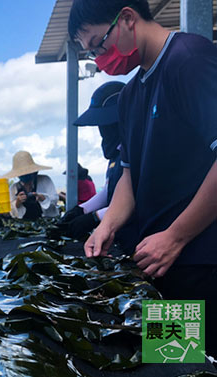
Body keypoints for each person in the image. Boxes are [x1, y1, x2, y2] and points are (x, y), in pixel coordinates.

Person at [69, 0, 217, 356]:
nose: (100, 60)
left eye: (98, 45)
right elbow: (129, 178)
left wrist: (177, 236)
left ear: (127, 19)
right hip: (161, 263)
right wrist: (107, 226)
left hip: (202, 260)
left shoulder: (190, 60)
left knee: (202, 362)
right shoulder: (131, 95)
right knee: (174, 358)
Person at [61, 82, 127, 240]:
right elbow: (109, 191)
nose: (102, 130)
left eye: (106, 125)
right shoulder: (116, 155)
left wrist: (95, 217)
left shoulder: (138, 150)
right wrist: (82, 210)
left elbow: (136, 199)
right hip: (118, 234)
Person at [4, 151, 59, 220]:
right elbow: (12, 212)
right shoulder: (14, 188)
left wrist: (42, 198)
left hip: (46, 220)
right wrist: (17, 203)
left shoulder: (45, 180)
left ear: (35, 172)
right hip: (24, 224)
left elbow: (54, 200)